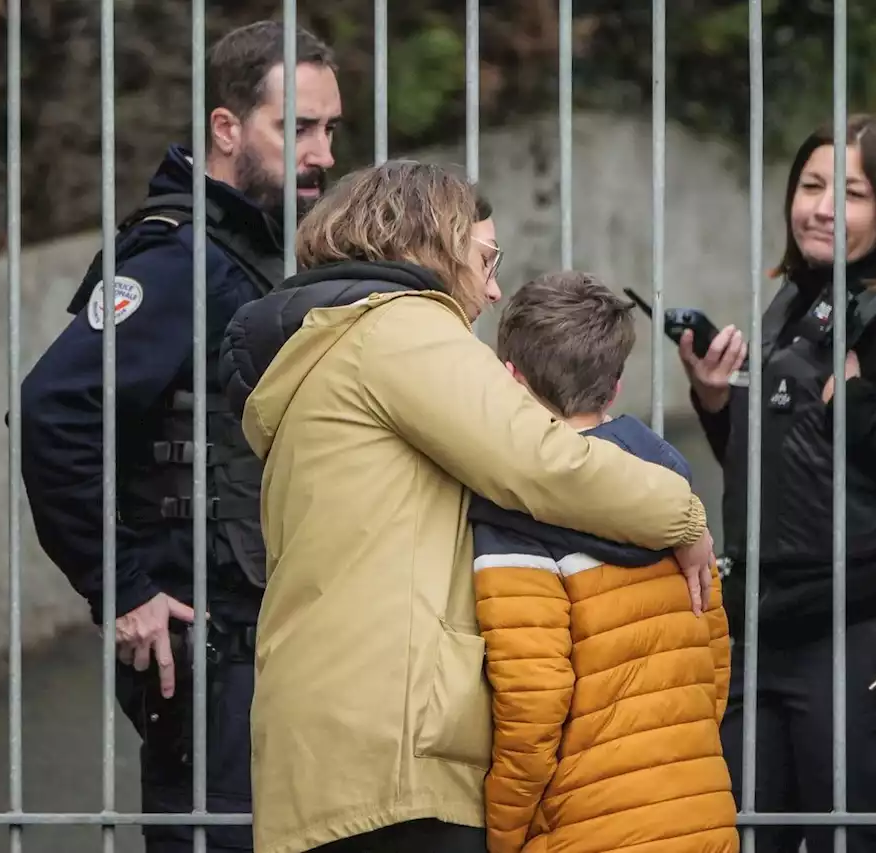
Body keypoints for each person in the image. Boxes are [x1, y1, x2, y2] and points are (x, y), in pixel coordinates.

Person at [216, 160, 717, 853]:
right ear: (434, 241)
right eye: (486, 259)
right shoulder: (401, 329)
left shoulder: (324, 349)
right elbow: (540, 461)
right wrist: (682, 511)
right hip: (397, 750)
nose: (493, 288)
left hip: (323, 750)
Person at [18, 21, 341, 853]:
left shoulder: (246, 251)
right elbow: (56, 407)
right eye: (297, 128)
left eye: (330, 129)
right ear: (227, 128)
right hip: (209, 645)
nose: (323, 154)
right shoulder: (178, 259)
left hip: (253, 631)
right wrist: (120, 587)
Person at [676, 114, 876, 852]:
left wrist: (858, 405)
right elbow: (794, 483)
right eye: (811, 185)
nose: (819, 206)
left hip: (864, 641)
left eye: (847, 192)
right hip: (765, 634)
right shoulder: (792, 308)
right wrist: (719, 404)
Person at [469, 271, 738, 853]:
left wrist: (505, 832)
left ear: (510, 379)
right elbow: (715, 668)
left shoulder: (514, 519)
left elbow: (532, 700)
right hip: (701, 817)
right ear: (614, 388)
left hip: (583, 828)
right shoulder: (674, 498)